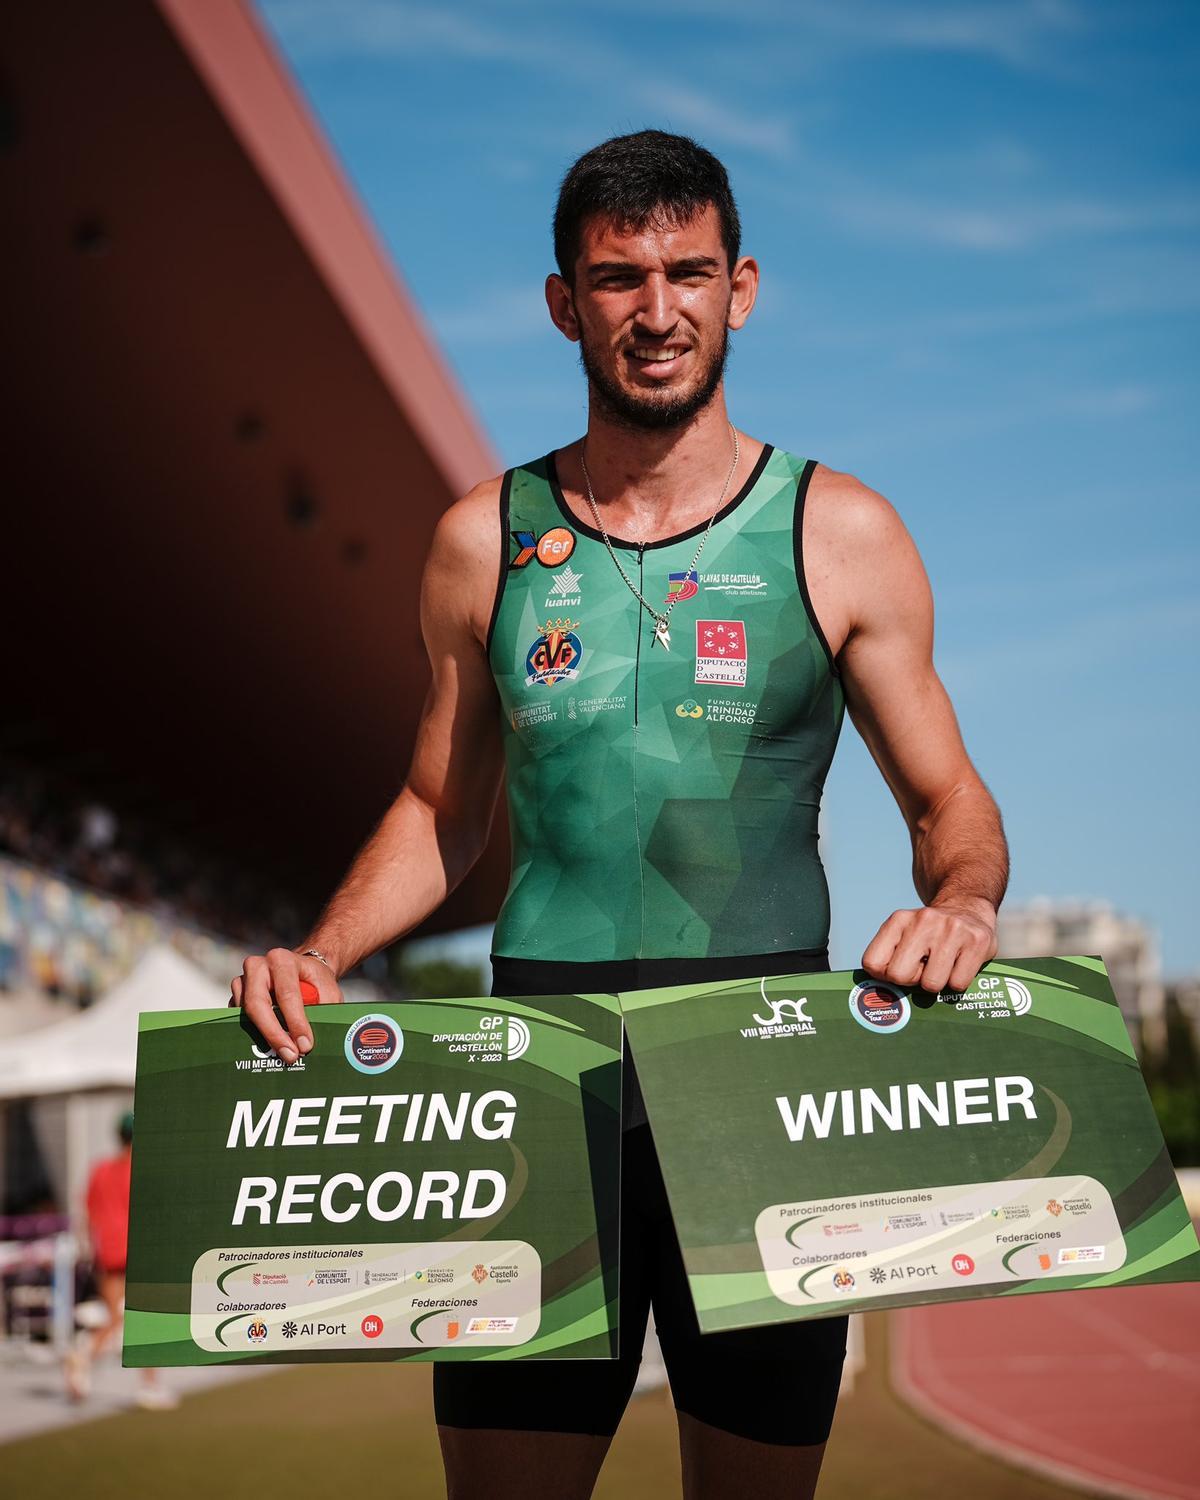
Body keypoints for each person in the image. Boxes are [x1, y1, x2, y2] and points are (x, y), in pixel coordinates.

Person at [232, 130, 1008, 1499]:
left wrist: (961, 902)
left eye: (687, 273)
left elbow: (950, 804)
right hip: (539, 1082)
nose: (657, 312)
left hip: (758, 1084)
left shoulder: (840, 532)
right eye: (618, 279)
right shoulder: (486, 537)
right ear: (562, 302)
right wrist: (328, 949)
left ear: (742, 288)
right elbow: (440, 806)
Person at [65, 1111, 176, 1410]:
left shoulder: (100, 1169)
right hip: (134, 1248)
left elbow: (86, 1212)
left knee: (116, 1318)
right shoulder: (143, 1170)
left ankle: (84, 1356)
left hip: (106, 1251)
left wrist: (89, 1249)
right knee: (146, 1318)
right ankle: (150, 1384)